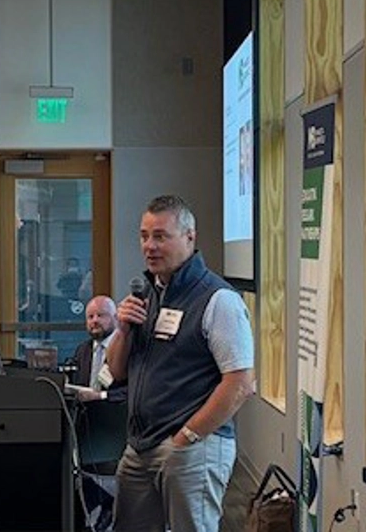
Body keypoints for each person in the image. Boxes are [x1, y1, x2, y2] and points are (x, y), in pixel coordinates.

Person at [106, 195, 255, 532]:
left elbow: (241, 383)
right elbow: (115, 373)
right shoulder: (147, 294)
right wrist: (124, 331)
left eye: (161, 236)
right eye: (144, 236)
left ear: (190, 237)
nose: (149, 246)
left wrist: (186, 438)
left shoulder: (218, 299)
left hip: (191, 446)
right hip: (140, 444)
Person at [70, 295, 126, 403]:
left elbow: (133, 390)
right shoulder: (82, 350)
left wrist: (100, 396)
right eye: (90, 317)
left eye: (100, 315)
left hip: (116, 412)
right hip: (86, 414)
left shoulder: (126, 348)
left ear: (116, 318)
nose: (95, 321)